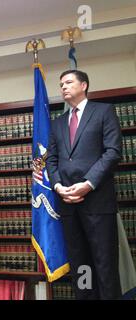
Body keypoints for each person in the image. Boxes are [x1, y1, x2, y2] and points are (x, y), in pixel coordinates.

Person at [46, 70, 122, 299]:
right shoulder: (58, 123)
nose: (63, 88)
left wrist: (88, 184)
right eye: (61, 85)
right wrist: (58, 186)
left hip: (97, 202)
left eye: (68, 82)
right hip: (68, 204)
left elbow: (113, 152)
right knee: (81, 265)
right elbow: (51, 159)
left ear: (84, 85)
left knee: (104, 262)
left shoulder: (104, 111)